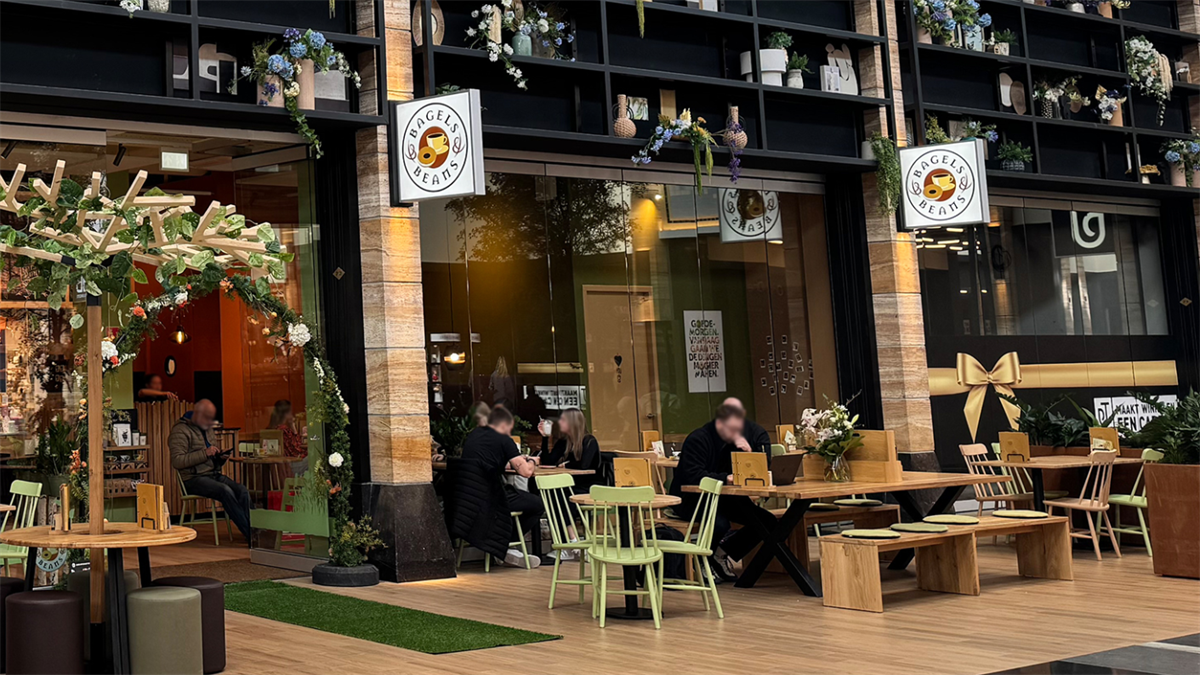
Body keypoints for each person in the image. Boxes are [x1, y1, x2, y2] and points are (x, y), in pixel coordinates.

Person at [669, 404, 778, 581]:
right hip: (692, 498)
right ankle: (703, 559)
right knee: (719, 523)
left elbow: (755, 471)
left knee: (766, 521)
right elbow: (693, 475)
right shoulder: (698, 439)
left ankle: (721, 553)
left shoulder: (741, 440)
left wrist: (749, 455)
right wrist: (725, 478)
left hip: (726, 498)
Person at [460, 406, 542, 568]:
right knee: (536, 504)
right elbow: (526, 472)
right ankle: (505, 545)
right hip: (491, 498)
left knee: (515, 497)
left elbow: (489, 460)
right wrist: (532, 461)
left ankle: (501, 545)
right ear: (503, 425)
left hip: (467, 499)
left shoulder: (474, 435)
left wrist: (513, 459)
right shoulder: (504, 439)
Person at [169, 400, 254, 545]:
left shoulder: (207, 429)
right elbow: (177, 461)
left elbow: (211, 458)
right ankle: (252, 535)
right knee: (225, 491)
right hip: (193, 478)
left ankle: (257, 530)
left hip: (212, 474)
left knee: (242, 490)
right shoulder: (180, 431)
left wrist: (220, 457)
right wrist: (205, 453)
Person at [270, 400, 308, 476]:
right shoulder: (284, 430)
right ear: (286, 414)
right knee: (314, 457)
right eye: (290, 412)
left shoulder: (275, 428)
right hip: (290, 466)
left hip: (282, 467)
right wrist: (293, 427)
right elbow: (297, 450)